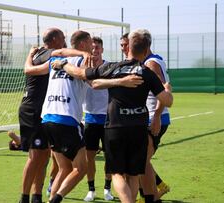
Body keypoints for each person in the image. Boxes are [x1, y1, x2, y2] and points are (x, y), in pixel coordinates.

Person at [51, 29, 173, 203]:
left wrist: (63, 65)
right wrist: (168, 90)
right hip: (138, 128)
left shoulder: (113, 67)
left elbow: (85, 76)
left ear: (128, 47)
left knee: (117, 174)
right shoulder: (146, 72)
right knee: (133, 174)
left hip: (115, 127)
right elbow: (167, 101)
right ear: (145, 50)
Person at [19, 28, 92, 203]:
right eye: (90, 43)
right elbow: (86, 77)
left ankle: (37, 196)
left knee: (56, 162)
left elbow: (31, 67)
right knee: (77, 167)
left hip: (46, 116)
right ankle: (35, 198)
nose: (64, 40)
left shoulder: (50, 57)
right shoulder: (66, 57)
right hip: (50, 115)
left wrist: (30, 56)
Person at [138, 31, 172, 203]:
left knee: (140, 161)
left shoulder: (151, 63)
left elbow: (164, 91)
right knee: (141, 161)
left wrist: (157, 116)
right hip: (150, 117)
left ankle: (151, 197)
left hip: (154, 118)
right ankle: (151, 195)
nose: (124, 48)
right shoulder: (151, 60)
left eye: (126, 45)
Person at [82, 36, 114, 202]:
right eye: (92, 48)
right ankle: (91, 190)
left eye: (97, 48)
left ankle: (107, 189)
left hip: (108, 118)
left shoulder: (108, 67)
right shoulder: (82, 67)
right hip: (90, 118)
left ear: (102, 49)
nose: (94, 51)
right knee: (90, 157)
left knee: (110, 156)